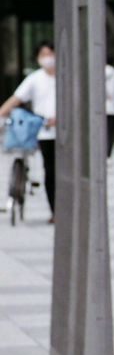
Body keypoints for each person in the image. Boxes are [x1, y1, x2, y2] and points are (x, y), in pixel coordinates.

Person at [0, 40, 57, 222]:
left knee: (62, 172)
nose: (46, 58)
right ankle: (55, 211)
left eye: (49, 54)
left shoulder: (67, 75)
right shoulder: (35, 78)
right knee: (50, 170)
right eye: (42, 55)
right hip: (44, 130)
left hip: (65, 131)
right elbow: (16, 99)